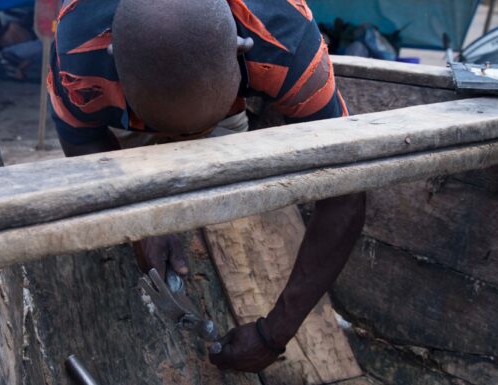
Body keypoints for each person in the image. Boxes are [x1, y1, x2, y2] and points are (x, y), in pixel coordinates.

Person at [48, 0, 365, 373]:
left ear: (240, 48)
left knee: (239, 227)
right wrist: (142, 222)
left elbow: (347, 187)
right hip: (130, 121)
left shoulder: (288, 41)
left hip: (220, 113)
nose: (184, 139)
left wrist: (274, 333)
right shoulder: (78, 52)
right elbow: (84, 142)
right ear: (114, 59)